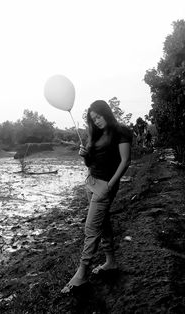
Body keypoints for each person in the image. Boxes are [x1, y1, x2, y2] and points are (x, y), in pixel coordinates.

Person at [61, 100, 132, 293]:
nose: (97, 121)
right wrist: (84, 155)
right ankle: (110, 262)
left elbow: (125, 161)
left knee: (91, 228)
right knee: (103, 222)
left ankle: (82, 273)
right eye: (93, 119)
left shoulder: (121, 131)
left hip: (104, 186)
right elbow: (90, 163)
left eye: (99, 116)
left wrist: (110, 185)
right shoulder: (95, 134)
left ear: (106, 113)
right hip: (90, 182)